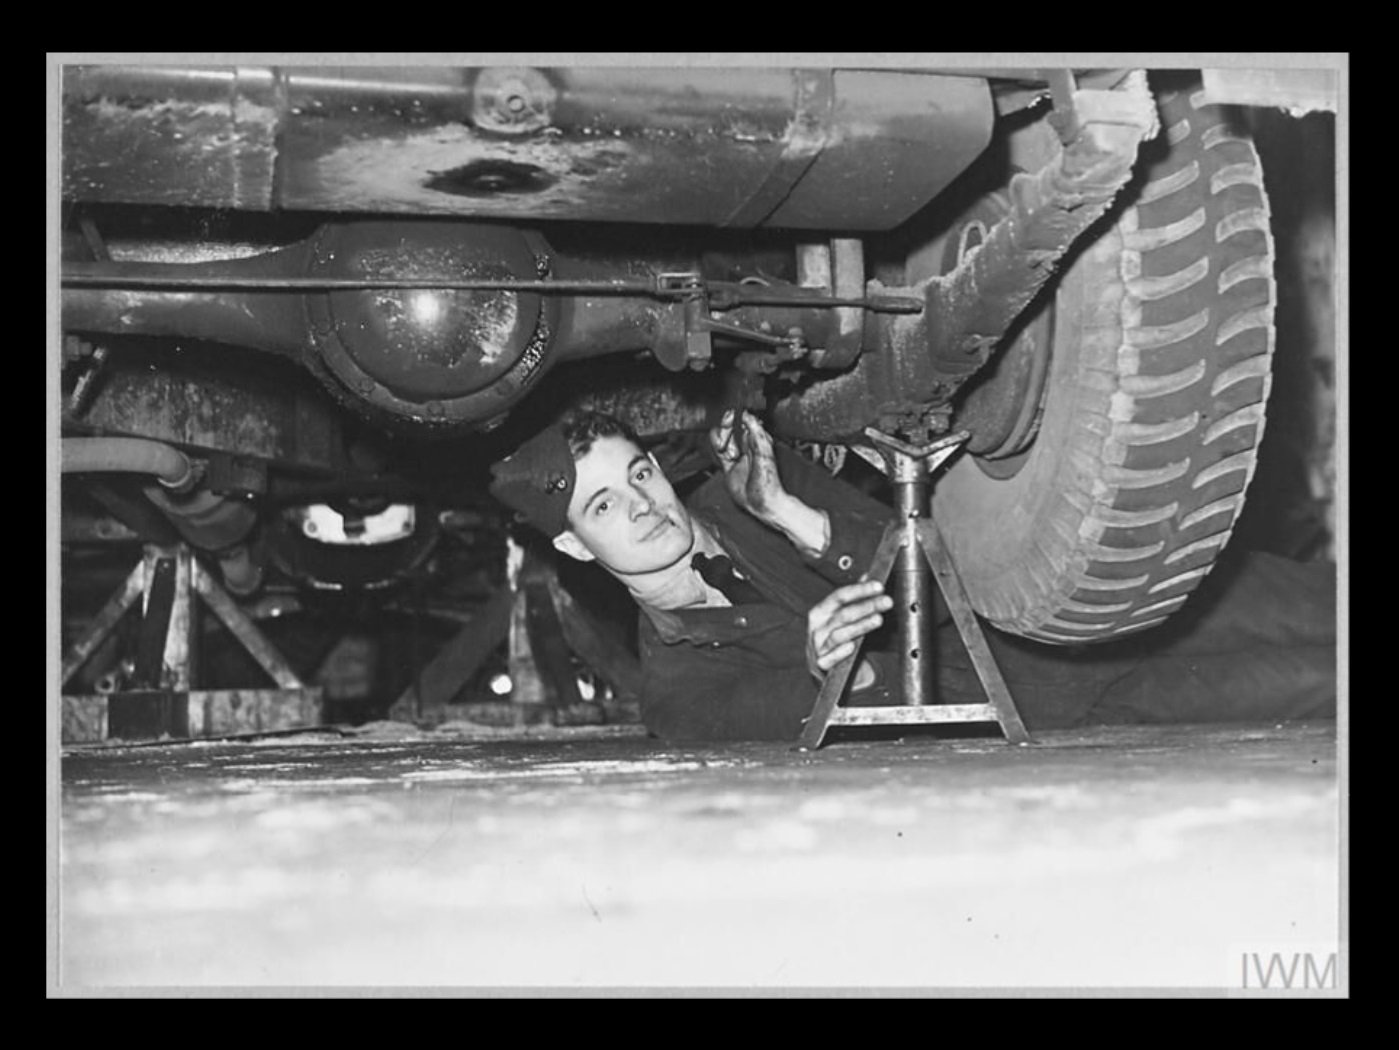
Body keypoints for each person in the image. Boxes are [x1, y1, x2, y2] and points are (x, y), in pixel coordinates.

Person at [490, 409, 1336, 742]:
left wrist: (787, 512)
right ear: (575, 547)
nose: (642, 505)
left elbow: (925, 560)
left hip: (1060, 601)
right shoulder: (677, 691)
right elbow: (805, 708)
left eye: (638, 473)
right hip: (1070, 702)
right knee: (1314, 683)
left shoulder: (754, 487)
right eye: (603, 506)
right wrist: (825, 668)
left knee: (1318, 603)